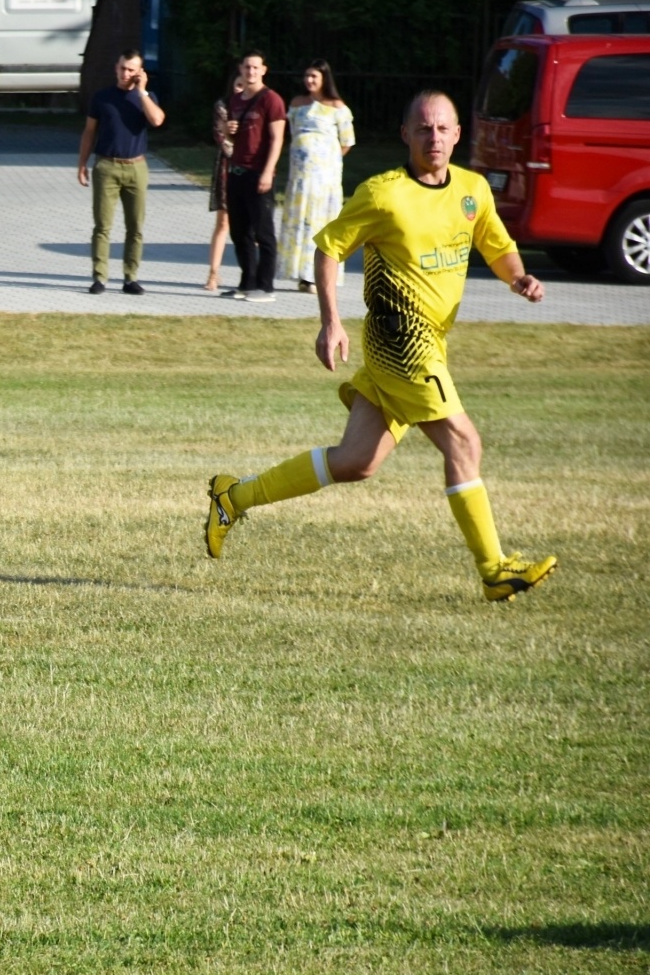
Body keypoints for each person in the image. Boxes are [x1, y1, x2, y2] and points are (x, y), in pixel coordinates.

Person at [204, 92, 555, 603]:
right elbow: (328, 249)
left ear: (459, 135)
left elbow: (497, 246)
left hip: (431, 341)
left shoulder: (473, 190)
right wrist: (331, 323)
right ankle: (495, 569)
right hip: (400, 340)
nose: (433, 138)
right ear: (405, 134)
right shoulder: (382, 194)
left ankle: (233, 497)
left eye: (442, 129)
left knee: (355, 462)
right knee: (463, 442)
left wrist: (518, 278)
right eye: (423, 129)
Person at [78, 51, 166, 296]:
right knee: (102, 226)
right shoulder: (102, 97)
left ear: (140, 72)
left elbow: (157, 120)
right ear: (116, 68)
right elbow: (89, 131)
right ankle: (99, 277)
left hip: (136, 167)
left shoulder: (145, 97)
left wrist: (142, 92)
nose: (126, 74)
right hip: (107, 166)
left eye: (131, 70)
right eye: (122, 68)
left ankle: (130, 277)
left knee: (135, 226)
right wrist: (82, 163)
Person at [279, 60, 355, 293]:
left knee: (319, 222)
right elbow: (291, 132)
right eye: (307, 76)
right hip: (300, 178)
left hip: (324, 180)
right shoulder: (297, 103)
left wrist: (326, 159)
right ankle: (300, 272)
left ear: (324, 79)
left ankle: (318, 275)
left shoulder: (336, 107)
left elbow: (347, 142)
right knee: (300, 221)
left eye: (314, 76)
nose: (309, 80)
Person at [222, 50, 286, 302]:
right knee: (240, 232)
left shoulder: (271, 100)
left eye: (255, 67)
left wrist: (268, 171)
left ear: (263, 70)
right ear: (241, 69)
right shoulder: (235, 100)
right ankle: (247, 282)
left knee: (264, 232)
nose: (251, 71)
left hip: (259, 172)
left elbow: (277, 138)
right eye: (247, 67)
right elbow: (231, 139)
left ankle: (266, 286)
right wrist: (228, 132)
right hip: (236, 171)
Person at [205, 71, 244, 293]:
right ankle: (213, 273)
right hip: (228, 167)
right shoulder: (223, 106)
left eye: (244, 85)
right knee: (223, 222)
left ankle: (249, 275)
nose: (241, 89)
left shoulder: (258, 105)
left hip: (251, 169)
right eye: (237, 84)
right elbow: (221, 136)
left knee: (249, 226)